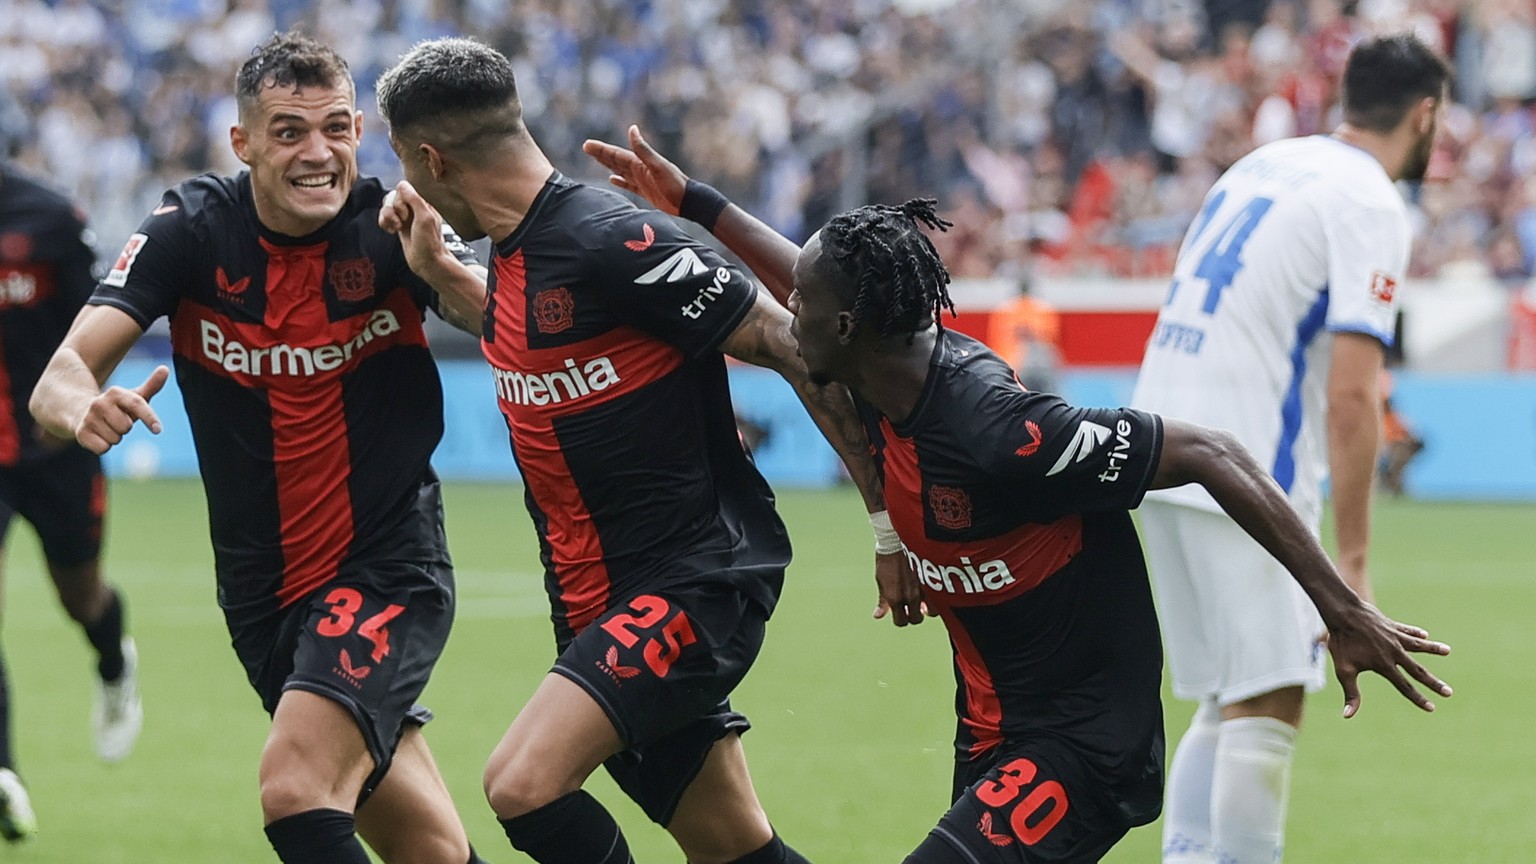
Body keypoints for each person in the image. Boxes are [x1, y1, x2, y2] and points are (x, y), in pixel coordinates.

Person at [580, 125, 1452, 864]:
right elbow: (803, 275)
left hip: (1084, 746)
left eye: (800, 306)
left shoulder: (1005, 431)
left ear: (844, 327)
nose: (783, 315)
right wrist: (694, 199)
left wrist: (1340, 607)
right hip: (994, 734)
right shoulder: (874, 369)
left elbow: (1213, 451)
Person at [373, 37, 917, 864]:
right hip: (593, 599)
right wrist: (441, 272)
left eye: (403, 167)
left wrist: (887, 527)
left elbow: (799, 348)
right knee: (732, 845)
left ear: (429, 157)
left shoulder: (611, 239)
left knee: (521, 785)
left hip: (692, 584)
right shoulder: (516, 260)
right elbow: (523, 337)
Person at [30, 32, 492, 864]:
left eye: (335, 129)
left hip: (385, 564)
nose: (317, 154)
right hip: (261, 592)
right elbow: (60, 372)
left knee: (295, 793)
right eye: (288, 132)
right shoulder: (190, 231)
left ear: (359, 131)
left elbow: (511, 328)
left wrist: (443, 270)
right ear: (243, 144)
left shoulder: (394, 224)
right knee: (429, 849)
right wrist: (81, 407)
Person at [1126, 34, 1450, 863]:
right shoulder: (1372, 200)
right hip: (1243, 470)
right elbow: (1352, 393)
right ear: (1426, 114)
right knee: (1269, 698)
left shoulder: (1267, 164)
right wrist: (1352, 563)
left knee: (1224, 695)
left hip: (1155, 449)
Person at [0, 161, 141, 841]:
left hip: (54, 448)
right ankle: (5, 774)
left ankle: (115, 663)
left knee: (80, 596)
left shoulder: (49, 220)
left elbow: (99, 328)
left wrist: (70, 412)